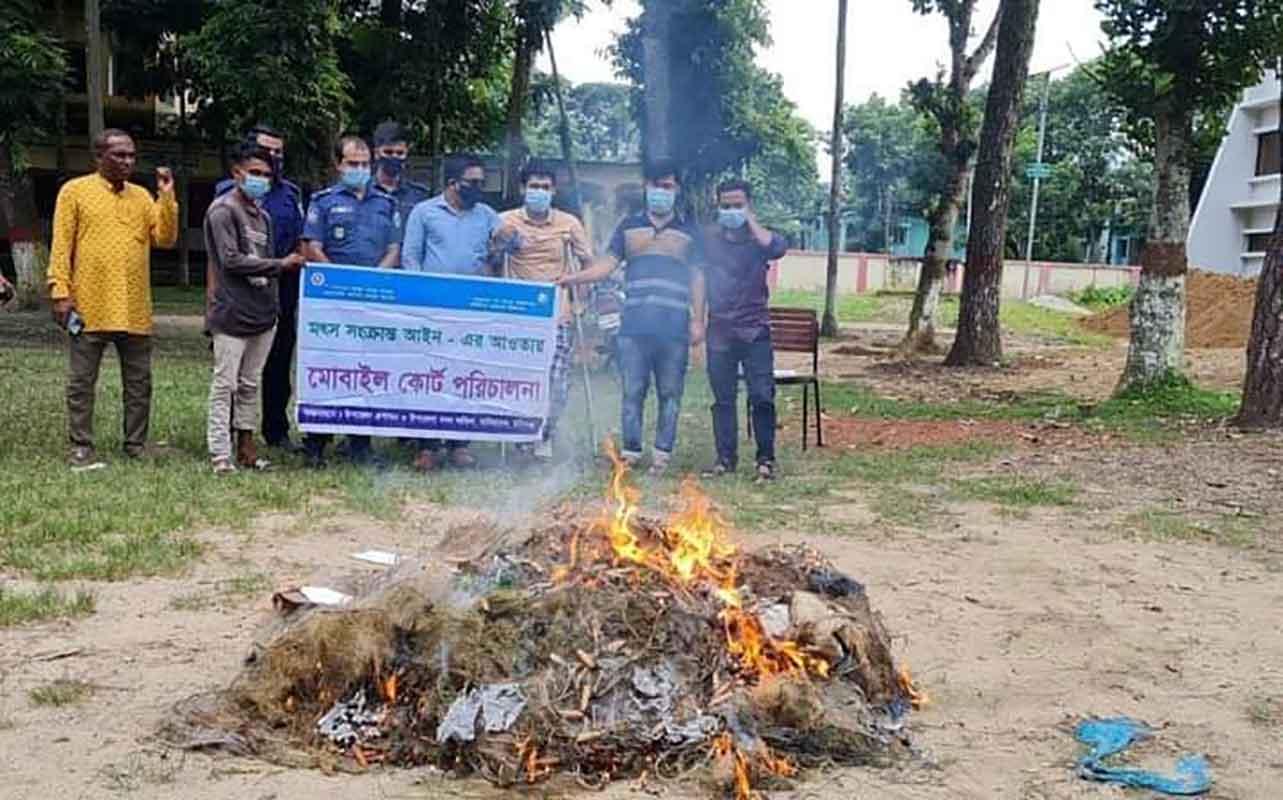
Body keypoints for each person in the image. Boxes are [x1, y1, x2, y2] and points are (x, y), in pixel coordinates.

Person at [560, 158, 705, 474]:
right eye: (655, 186)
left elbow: (697, 278)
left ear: (677, 189)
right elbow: (605, 267)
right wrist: (571, 279)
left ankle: (662, 454)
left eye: (667, 186)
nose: (660, 192)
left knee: (670, 394)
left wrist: (698, 320)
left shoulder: (689, 232)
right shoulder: (628, 228)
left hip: (674, 328)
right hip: (634, 328)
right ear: (646, 188)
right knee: (632, 392)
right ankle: (631, 452)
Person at [47, 129, 177, 469]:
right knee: (81, 382)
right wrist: (60, 293)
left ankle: (136, 443)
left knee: (139, 384)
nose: (127, 162)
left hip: (134, 307)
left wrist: (166, 198)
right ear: (98, 157)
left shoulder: (141, 196)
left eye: (132, 156)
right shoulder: (75, 191)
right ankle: (81, 445)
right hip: (89, 304)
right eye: (119, 155)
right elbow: (61, 245)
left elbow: (164, 239)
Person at [204, 143, 306, 474]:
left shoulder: (263, 217)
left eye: (266, 174)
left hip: (263, 314)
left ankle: (247, 448)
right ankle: (220, 454)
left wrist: (274, 303)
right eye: (255, 173)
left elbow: (266, 262)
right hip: (232, 313)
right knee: (225, 384)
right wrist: (279, 264)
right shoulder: (222, 210)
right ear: (237, 174)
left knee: (250, 384)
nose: (261, 179)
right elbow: (230, 260)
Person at [300, 135, 400, 468]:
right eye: (352, 164)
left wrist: (371, 283)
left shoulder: (385, 202)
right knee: (326, 370)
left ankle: (360, 444)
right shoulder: (323, 202)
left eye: (365, 165)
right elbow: (312, 246)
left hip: (372, 304)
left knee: (366, 371)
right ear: (338, 165)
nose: (359, 170)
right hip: (331, 304)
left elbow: (393, 249)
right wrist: (343, 286)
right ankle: (315, 442)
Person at [401, 153, 501, 471]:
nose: (478, 188)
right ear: (452, 182)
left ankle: (460, 443)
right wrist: (420, 300)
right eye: (472, 182)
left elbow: (510, 243)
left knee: (467, 376)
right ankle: (428, 445)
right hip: (433, 309)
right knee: (430, 377)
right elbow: (410, 257)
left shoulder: (486, 215)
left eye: (481, 183)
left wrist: (506, 241)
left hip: (472, 310)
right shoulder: (424, 212)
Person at [493, 161, 594, 461]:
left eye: (545, 187)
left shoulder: (569, 224)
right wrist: (500, 244)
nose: (539, 192)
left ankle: (544, 433)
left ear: (554, 191)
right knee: (520, 379)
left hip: (558, 312)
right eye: (534, 186)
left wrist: (581, 302)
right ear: (523, 189)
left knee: (557, 382)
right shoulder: (504, 221)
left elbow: (588, 263)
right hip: (518, 315)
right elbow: (490, 259)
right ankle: (521, 435)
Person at [700, 179, 788, 481]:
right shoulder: (709, 240)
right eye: (726, 206)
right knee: (723, 399)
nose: (731, 211)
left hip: (755, 330)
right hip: (719, 331)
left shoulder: (760, 240)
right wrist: (697, 320)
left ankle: (766, 460)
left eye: (738, 205)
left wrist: (749, 221)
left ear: (749, 206)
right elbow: (698, 278)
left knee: (762, 396)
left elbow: (776, 249)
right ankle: (725, 458)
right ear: (717, 206)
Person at [369, 120, 431, 251]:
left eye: (400, 153)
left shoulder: (420, 196)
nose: (394, 157)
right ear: (376, 153)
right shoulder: (363, 191)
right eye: (388, 152)